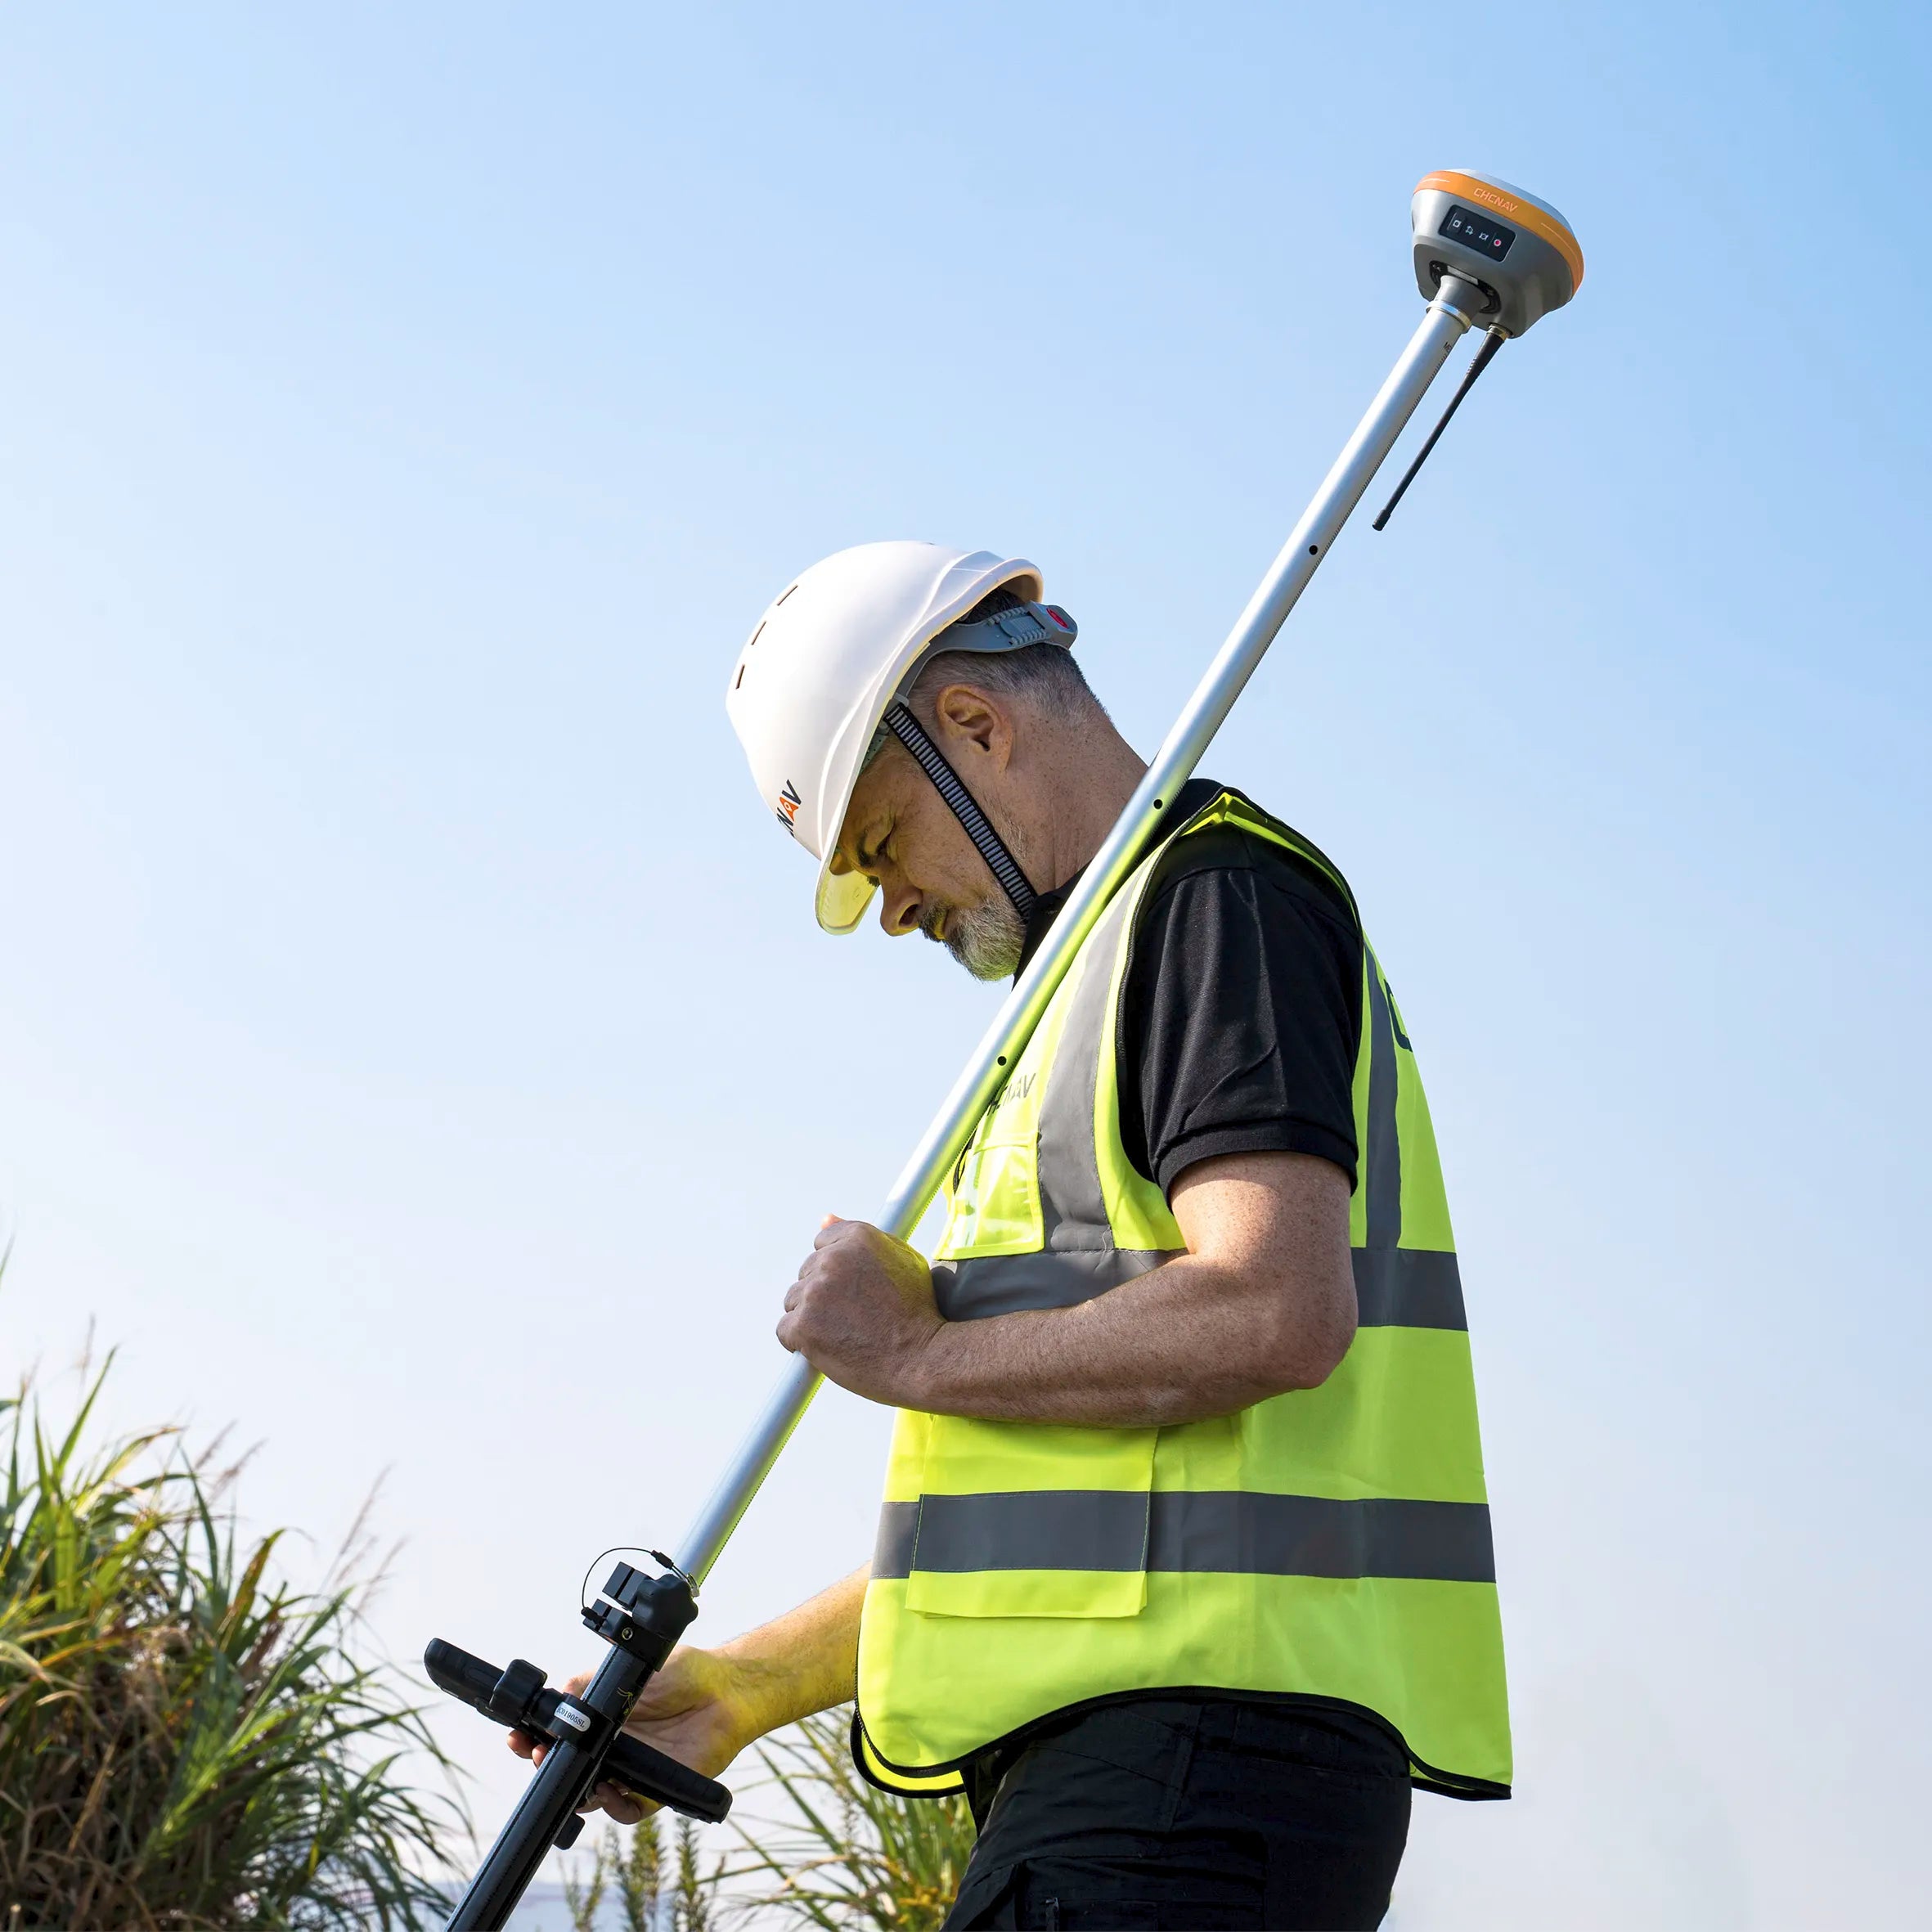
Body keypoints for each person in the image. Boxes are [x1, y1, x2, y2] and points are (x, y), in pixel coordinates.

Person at [514, 542, 1509, 1930]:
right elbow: (1061, 1531)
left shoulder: (1212, 904)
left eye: (879, 848)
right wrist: (741, 1687)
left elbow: (1276, 1306)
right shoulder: (1091, 992)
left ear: (974, 725)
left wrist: (913, 1352)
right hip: (1161, 1780)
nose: (894, 908)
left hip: (1188, 1780)